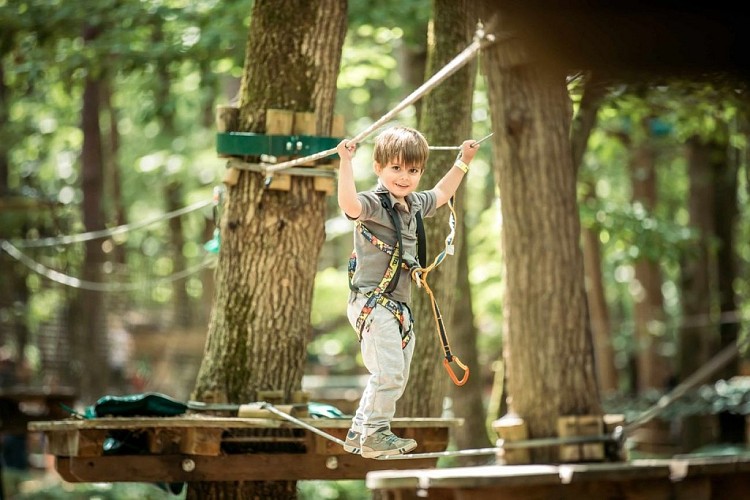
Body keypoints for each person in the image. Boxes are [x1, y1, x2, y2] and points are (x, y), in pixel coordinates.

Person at [336, 125, 479, 458]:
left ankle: (360, 429)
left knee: (395, 376)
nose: (404, 177)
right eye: (396, 168)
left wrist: (463, 161)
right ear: (379, 168)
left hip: (397, 307)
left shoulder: (414, 204)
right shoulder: (372, 203)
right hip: (372, 302)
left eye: (413, 170)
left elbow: (441, 194)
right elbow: (349, 204)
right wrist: (345, 162)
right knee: (388, 372)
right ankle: (375, 432)